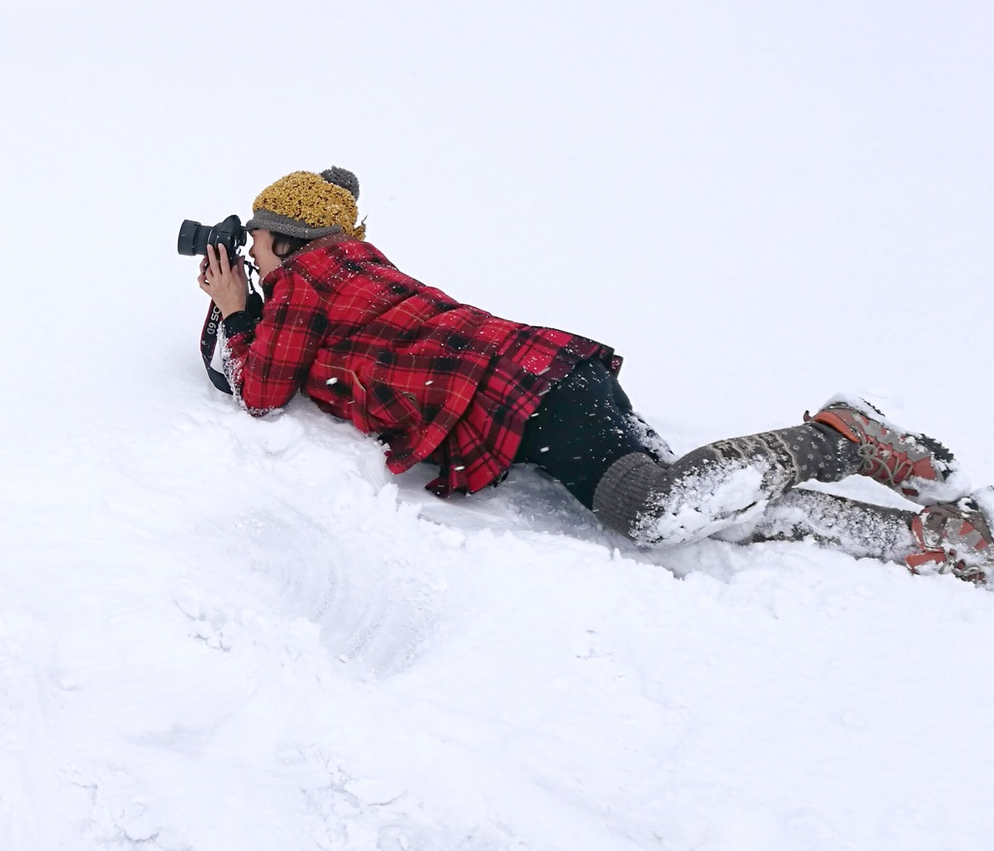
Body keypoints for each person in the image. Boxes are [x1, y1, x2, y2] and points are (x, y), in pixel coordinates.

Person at [195, 166, 992, 589]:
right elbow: (276, 364)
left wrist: (234, 308)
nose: (251, 253)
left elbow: (260, 392)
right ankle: (916, 536)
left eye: (258, 238)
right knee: (700, 509)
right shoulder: (356, 265)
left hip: (530, 398)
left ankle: (838, 438)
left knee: (650, 513)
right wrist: (246, 304)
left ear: (290, 240)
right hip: (554, 371)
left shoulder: (308, 279)